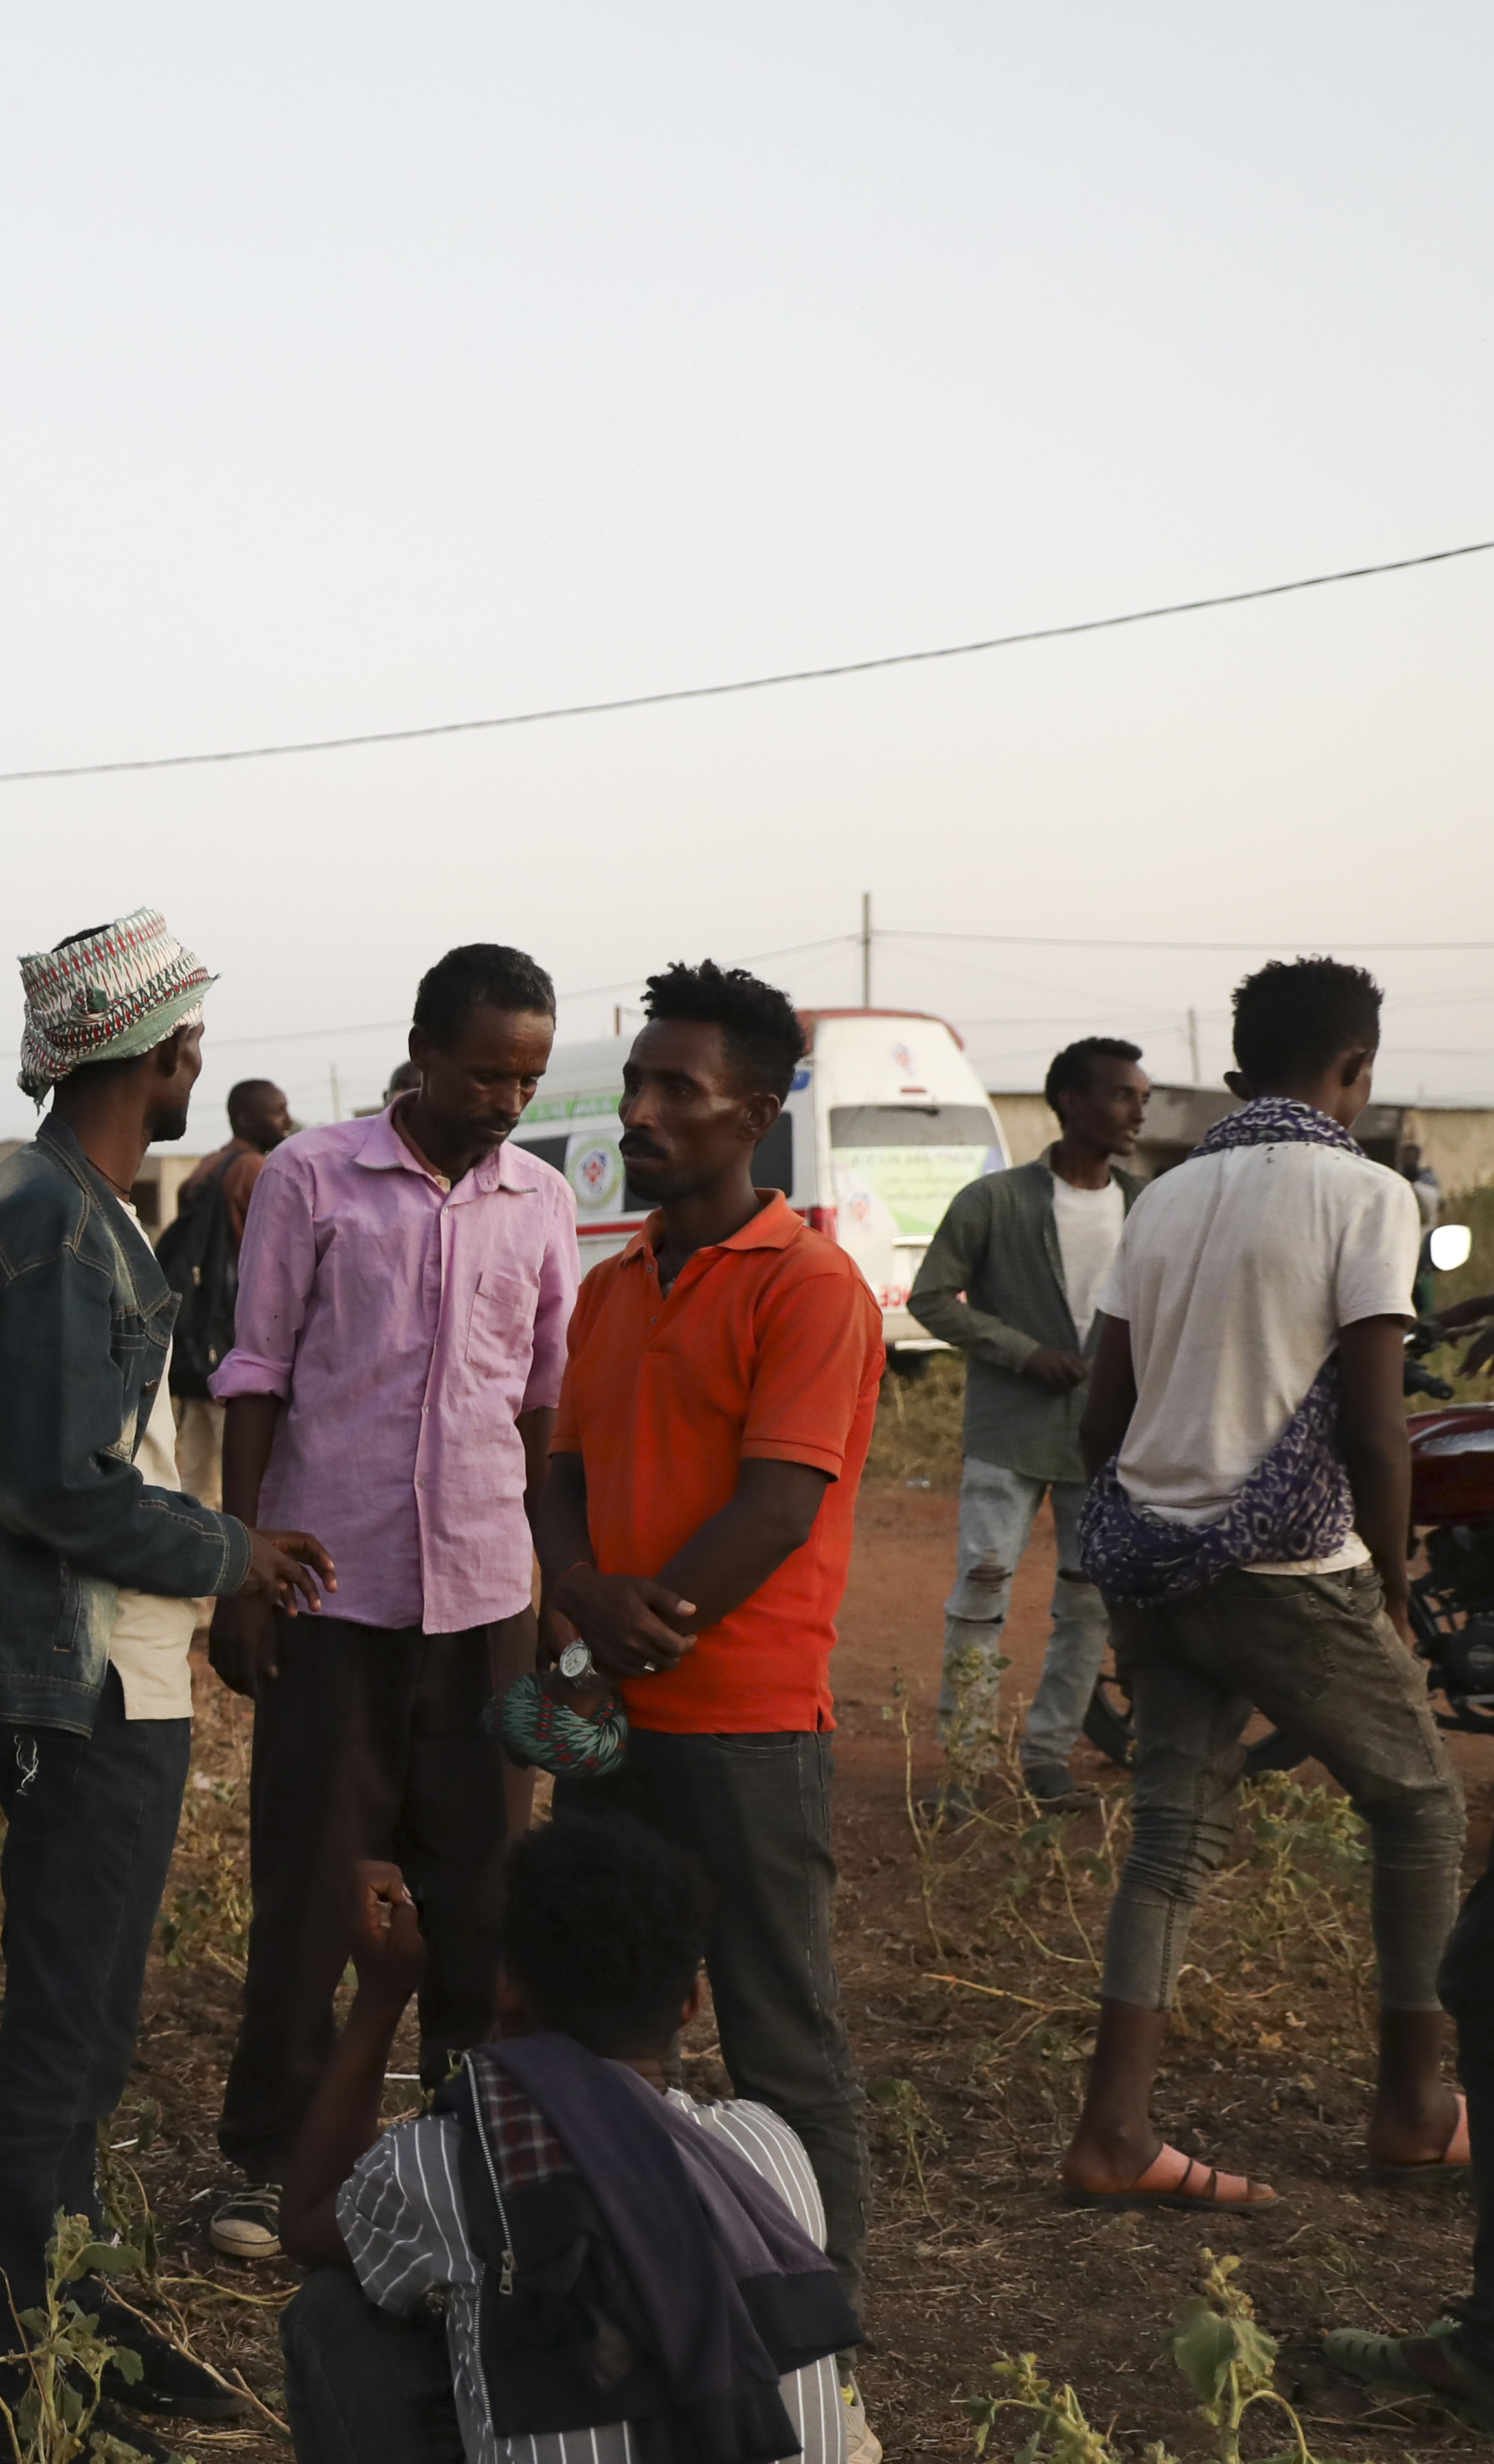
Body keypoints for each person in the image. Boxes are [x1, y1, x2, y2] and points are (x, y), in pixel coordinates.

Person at [0, 910, 337, 2448]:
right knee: (66, 2025)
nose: (196, 1066)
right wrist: (238, 1548)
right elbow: (55, 1481)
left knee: (93, 2020)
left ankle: (71, 2320)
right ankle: (26, 2363)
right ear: (149, 1051)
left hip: (111, 1669)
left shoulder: (75, 1202)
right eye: (186, 1045)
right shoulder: (52, 1218)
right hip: (79, 1675)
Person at [1057, 956, 1456, 2211]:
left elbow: (1100, 1412)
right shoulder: (1367, 1193)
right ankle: (1412, 2107)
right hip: (1287, 1569)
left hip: (1151, 1559)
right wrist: (1389, 1589)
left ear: (1238, 1071)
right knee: (1422, 1807)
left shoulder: (1162, 1201)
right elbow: (1378, 1429)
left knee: (1171, 1836)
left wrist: (1151, 1518)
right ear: (1355, 1072)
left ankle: (1114, 2131)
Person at [201, 947, 578, 2265]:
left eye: (525, 1076)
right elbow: (254, 1369)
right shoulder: (313, 1175)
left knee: (477, 1892)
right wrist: (243, 1561)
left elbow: (539, 1395)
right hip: (331, 1592)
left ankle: (467, 2155)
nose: (505, 1099)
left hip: (480, 1598)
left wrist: (543, 1580)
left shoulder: (538, 1198)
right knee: (312, 1888)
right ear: (420, 1051)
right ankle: (273, 2163)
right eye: (484, 1071)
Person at [532, 961, 879, 2296]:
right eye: (636, 1081)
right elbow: (563, 1472)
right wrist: (580, 1593)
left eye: (676, 1087)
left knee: (777, 2033)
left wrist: (633, 1620)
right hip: (613, 1709)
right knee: (604, 2024)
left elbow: (779, 1503)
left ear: (753, 1113)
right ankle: (635, 2288)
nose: (640, 1109)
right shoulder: (615, 1285)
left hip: (743, 1720)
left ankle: (822, 2327)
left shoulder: (806, 1286)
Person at [279, 1818, 861, 2464]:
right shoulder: (765, 2145)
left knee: (332, 2310)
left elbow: (307, 2222)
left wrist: (380, 1998)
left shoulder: (451, 2160)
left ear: (506, 1989)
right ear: (690, 2004)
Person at [903, 1035, 1150, 1809]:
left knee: (1085, 1603)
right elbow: (930, 1298)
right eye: (1120, 1095)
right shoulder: (995, 1200)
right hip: (1008, 1435)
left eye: (1140, 1097)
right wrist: (1020, 1351)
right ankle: (964, 1770)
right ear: (1070, 1102)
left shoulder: (1147, 1204)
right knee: (981, 1592)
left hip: (1104, 1440)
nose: (1135, 1110)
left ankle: (1048, 1758)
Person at [153, 1074, 294, 1480]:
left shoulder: (207, 1167)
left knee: (196, 1470)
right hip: (234, 1337)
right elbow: (274, 1255)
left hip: (196, 1337)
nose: (287, 1122)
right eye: (278, 1111)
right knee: (239, 1470)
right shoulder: (255, 1170)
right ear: (246, 1119)